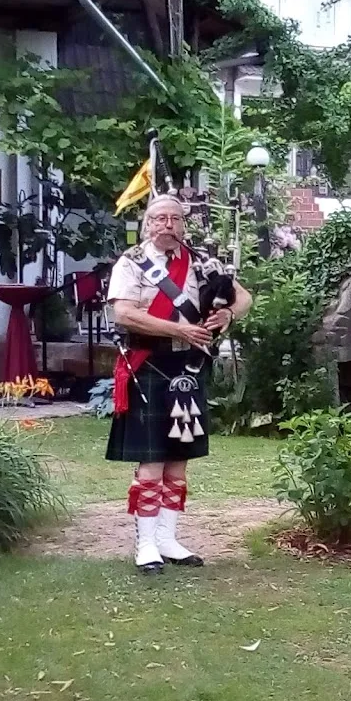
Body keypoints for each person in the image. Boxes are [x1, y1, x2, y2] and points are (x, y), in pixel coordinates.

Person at [105, 193, 252, 575]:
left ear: (183, 225)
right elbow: (123, 312)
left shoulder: (201, 262)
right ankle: (146, 545)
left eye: (175, 219)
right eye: (159, 219)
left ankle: (168, 539)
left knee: (178, 460)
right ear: (148, 224)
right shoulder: (131, 262)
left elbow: (244, 297)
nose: (167, 225)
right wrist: (180, 329)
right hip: (148, 363)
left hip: (188, 366)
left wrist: (227, 317)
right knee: (151, 461)